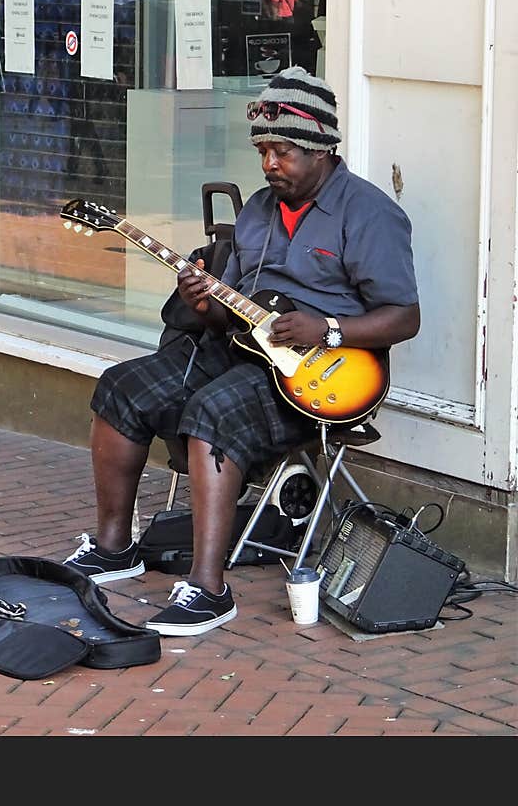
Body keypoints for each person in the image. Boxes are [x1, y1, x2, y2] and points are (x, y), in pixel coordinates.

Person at [62, 66, 420, 637]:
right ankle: (113, 548)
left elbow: (405, 318)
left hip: (317, 376)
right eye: (264, 151)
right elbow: (232, 311)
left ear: (322, 149)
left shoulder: (370, 213)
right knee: (121, 386)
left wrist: (326, 329)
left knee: (212, 413)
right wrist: (201, 300)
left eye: (284, 152)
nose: (270, 164)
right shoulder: (258, 208)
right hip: (243, 349)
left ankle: (209, 589)